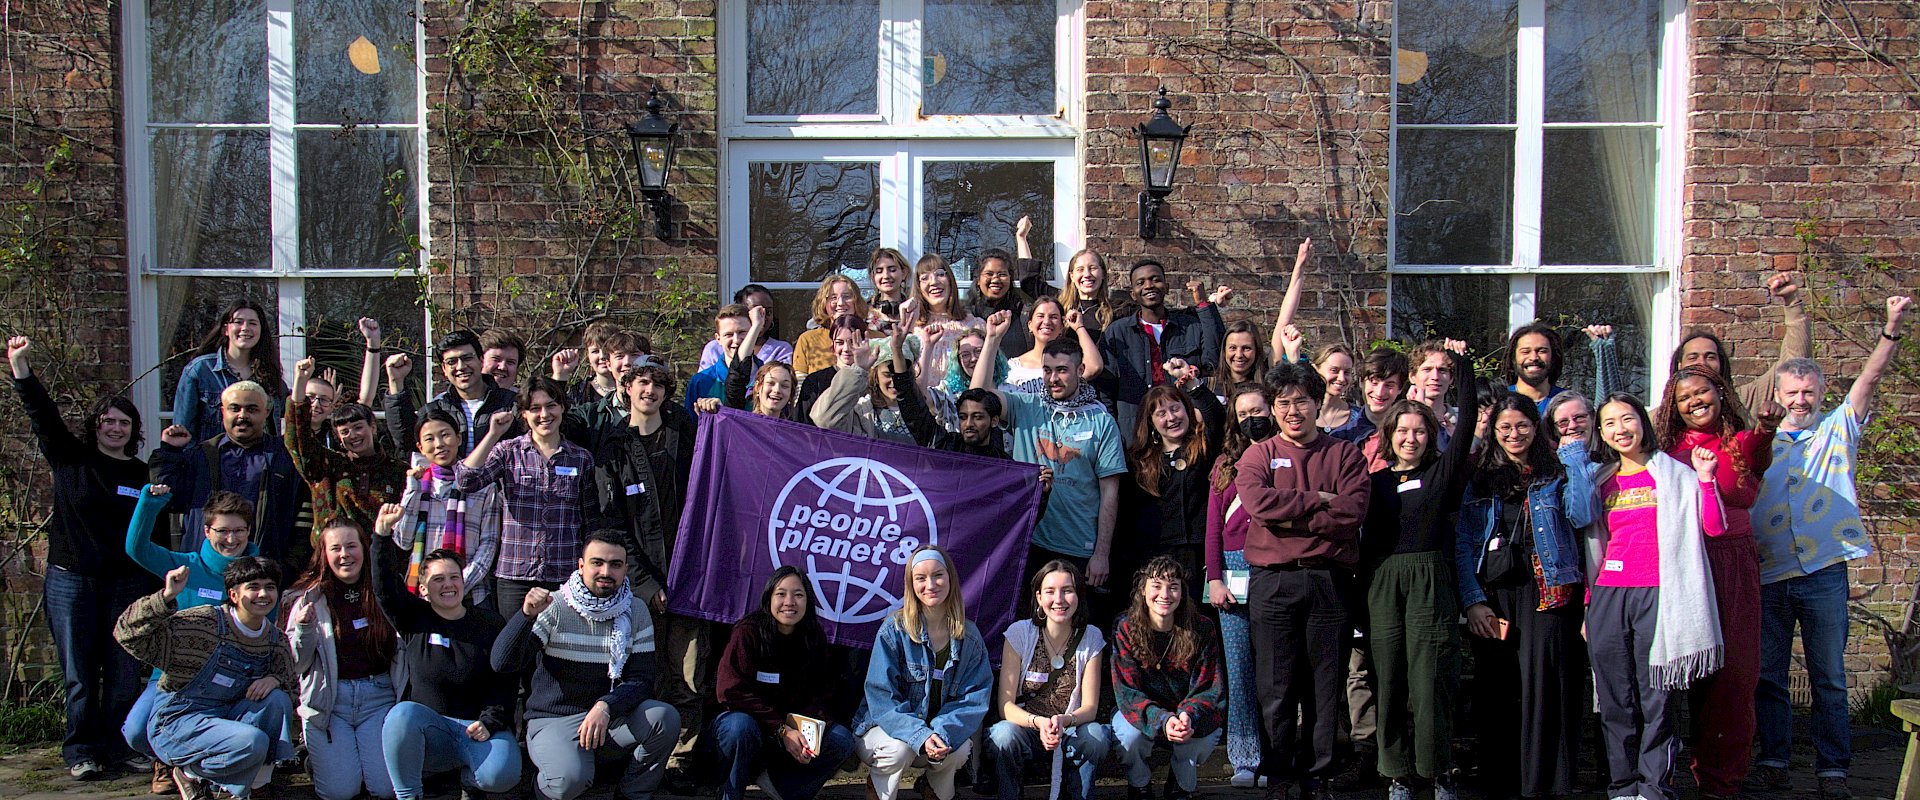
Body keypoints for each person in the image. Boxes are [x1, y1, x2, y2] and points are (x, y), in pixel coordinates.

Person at [1751, 295, 1911, 800]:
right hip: (1769, 572)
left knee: (1829, 676)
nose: (1801, 400)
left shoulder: (1838, 429)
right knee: (1770, 676)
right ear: (1777, 394)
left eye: (1810, 391)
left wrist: (1890, 327)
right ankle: (1775, 758)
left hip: (1823, 572)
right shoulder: (1758, 440)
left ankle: (1833, 769)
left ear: (1822, 392)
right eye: (1793, 391)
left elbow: (1868, 380)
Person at [7, 336, 157, 780]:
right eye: (108, 421)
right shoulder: (71, 459)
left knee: (124, 670)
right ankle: (81, 751)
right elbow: (43, 417)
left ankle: (118, 745)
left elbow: (151, 530)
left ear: (133, 430)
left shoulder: (139, 474)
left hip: (127, 585)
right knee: (79, 672)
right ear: (96, 426)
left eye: (124, 423)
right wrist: (21, 368)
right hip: (72, 581)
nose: (115, 429)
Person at [1233, 360, 1369, 799]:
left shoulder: (1344, 454)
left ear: (1317, 403)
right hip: (1273, 584)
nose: (1294, 410)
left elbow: (1351, 514)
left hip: (1330, 581)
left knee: (1324, 687)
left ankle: (1318, 775)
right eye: (1284, 402)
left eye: (1302, 401)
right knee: (1275, 686)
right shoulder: (1258, 454)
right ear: (1273, 408)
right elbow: (1259, 506)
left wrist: (1290, 513)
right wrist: (1316, 501)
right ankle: (1278, 775)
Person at [1584, 393, 1726, 800]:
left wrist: (1706, 478)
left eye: (1626, 419)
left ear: (1642, 423)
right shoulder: (1599, 480)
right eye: (1609, 423)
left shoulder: (1675, 474)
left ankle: (1654, 788)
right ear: (1603, 433)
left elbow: (1713, 528)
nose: (1619, 429)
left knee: (1656, 695)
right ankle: (1623, 787)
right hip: (1609, 595)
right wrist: (1588, 607)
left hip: (1661, 592)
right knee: (1614, 699)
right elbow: (1592, 548)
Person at [1457, 393, 1598, 799]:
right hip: (1495, 595)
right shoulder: (1480, 478)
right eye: (1505, 428)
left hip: (1547, 591)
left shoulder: (1558, 471)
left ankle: (1545, 783)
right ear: (1494, 433)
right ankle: (1501, 781)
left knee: (1545, 684)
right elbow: (1465, 542)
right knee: (1498, 687)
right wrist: (1473, 601)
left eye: (1522, 425)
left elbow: (1582, 513)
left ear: (1536, 428)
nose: (1514, 434)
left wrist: (1573, 458)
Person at [1359, 343, 1478, 800]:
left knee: (1431, 680)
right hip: (1382, 581)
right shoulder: (1374, 483)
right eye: (1402, 431)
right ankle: (1396, 773)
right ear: (1389, 435)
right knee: (1387, 679)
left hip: (1431, 580)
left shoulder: (1443, 474)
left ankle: (1437, 769)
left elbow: (1466, 424)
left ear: (1431, 435)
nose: (1410, 438)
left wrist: (1461, 365)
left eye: (1419, 431)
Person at [1654, 365, 1772, 800]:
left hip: (1732, 564)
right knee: (1692, 667)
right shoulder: (1667, 451)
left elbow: (1760, 450)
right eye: (1685, 397)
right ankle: (1676, 769)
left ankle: (1722, 783)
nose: (1694, 402)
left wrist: (1768, 427)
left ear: (1721, 394)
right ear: (1674, 406)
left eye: (1702, 392)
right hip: (1684, 561)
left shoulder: (1741, 443)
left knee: (1734, 675)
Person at [490, 531, 679, 800]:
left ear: (625, 569)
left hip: (607, 718)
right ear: (580, 565)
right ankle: (544, 788)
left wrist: (605, 706)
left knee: (664, 717)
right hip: (555, 719)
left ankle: (632, 793)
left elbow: (642, 680)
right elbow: (502, 663)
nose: (606, 571)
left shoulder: (636, 611)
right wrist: (525, 616)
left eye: (615, 564)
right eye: (597, 562)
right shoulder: (554, 606)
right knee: (570, 781)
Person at [588, 363, 705, 779]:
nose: (650, 391)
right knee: (643, 676)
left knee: (688, 674)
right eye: (642, 383)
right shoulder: (613, 446)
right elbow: (612, 524)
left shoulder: (686, 436)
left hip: (689, 577)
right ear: (627, 388)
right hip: (638, 585)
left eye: (658, 385)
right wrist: (646, 582)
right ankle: (641, 758)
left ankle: (681, 761)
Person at [368, 503, 519, 800]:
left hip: (477, 729)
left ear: (464, 582)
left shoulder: (490, 623)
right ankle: (409, 795)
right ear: (423, 589)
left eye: (454, 577)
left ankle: (469, 780)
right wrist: (381, 537)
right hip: (430, 731)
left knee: (502, 775)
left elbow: (506, 679)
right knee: (401, 715)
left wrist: (490, 721)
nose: (447, 585)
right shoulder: (414, 618)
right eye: (438, 579)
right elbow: (385, 587)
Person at [115, 558, 297, 800]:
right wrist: (165, 597)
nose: (263, 594)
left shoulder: (276, 641)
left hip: (226, 718)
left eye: (270, 586)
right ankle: (191, 774)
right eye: (253, 586)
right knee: (251, 742)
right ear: (233, 594)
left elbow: (293, 690)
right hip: (178, 720)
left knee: (277, 700)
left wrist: (275, 680)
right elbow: (126, 633)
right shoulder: (201, 625)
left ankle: (257, 786)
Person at [972, 311, 1126, 592]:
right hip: (1026, 542)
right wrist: (992, 340)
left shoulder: (1102, 420)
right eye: (1047, 370)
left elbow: (1110, 493)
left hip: (1078, 545)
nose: (1053, 378)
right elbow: (976, 400)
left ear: (1080, 371)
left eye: (1062, 370)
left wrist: (1102, 553)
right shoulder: (1027, 406)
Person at [121, 487, 261, 786]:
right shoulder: (185, 565)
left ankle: (201, 769)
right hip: (173, 679)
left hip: (229, 681)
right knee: (134, 733)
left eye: (239, 530)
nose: (232, 539)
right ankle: (177, 762)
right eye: (223, 531)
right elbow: (137, 549)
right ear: (207, 530)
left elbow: (266, 634)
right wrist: (149, 503)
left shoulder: (260, 574)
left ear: (249, 530)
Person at [855, 547, 993, 800]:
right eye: (920, 578)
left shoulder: (970, 638)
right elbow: (881, 698)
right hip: (887, 731)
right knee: (899, 750)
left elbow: (973, 699)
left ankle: (936, 790)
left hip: (937, 735)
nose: (930, 584)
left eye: (938, 575)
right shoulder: (893, 631)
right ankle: (879, 790)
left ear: (950, 578)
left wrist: (939, 733)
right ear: (911, 584)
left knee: (960, 749)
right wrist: (921, 734)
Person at [710, 567, 855, 800]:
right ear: (768, 598)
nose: (789, 602)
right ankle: (730, 793)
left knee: (841, 740)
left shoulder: (813, 636)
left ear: (808, 600)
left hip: (788, 730)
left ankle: (784, 790)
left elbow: (821, 693)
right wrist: (780, 729)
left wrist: (809, 732)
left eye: (798, 595)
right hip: (745, 726)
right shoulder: (748, 632)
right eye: (781, 594)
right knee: (740, 727)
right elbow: (730, 691)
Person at [284, 518, 402, 800]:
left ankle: (352, 759)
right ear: (324, 554)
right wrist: (303, 629)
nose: (345, 554)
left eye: (352, 546)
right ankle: (319, 758)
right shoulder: (308, 599)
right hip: (331, 703)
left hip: (379, 698)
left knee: (385, 789)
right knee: (340, 792)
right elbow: (296, 665)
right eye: (335, 548)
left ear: (365, 548)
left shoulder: (385, 590)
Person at [459, 377, 596, 618]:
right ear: (523, 413)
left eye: (551, 405)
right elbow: (466, 481)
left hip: (564, 576)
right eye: (535, 408)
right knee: (515, 649)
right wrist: (493, 434)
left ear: (562, 407)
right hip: (515, 576)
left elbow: (590, 519)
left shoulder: (581, 458)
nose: (544, 414)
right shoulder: (507, 452)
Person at [152, 380, 311, 576]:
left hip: (264, 573)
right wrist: (169, 452)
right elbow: (170, 500)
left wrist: (290, 565)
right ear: (222, 412)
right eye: (235, 408)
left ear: (266, 412)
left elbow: (304, 517)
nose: (242, 416)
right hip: (205, 571)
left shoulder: (285, 458)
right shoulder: (201, 456)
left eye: (252, 409)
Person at [986, 560, 1111, 800]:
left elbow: (1091, 709)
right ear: (1039, 598)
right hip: (1028, 728)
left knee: (1096, 737)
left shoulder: (1091, 637)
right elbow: (1006, 706)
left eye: (1068, 590)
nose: (1059, 600)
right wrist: (1039, 723)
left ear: (1078, 595)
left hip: (1070, 728)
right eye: (1051, 592)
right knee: (1003, 735)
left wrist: (1064, 720)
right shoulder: (1019, 633)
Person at [1204, 381, 1275, 787]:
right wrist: (1214, 578)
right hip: (1231, 570)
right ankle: (1244, 756)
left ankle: (1274, 755)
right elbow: (1214, 528)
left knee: (1274, 670)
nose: (1252, 419)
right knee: (1240, 668)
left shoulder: (1282, 457)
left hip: (1274, 569)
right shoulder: (1223, 464)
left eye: (1258, 410)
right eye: (1243, 413)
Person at [1111, 556, 1225, 800]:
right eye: (1156, 586)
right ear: (1143, 591)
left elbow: (1209, 688)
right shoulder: (1126, 629)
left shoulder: (1202, 628)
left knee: (1202, 739)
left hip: (1186, 716)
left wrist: (1187, 716)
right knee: (1128, 737)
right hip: (1145, 714)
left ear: (1182, 592)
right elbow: (1127, 692)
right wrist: (1162, 719)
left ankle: (1182, 784)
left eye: (1173, 587)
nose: (1165, 594)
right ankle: (1139, 784)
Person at [1119, 363, 1227, 590]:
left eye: (1175, 408)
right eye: (1161, 413)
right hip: (1153, 555)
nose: (1171, 417)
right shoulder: (1138, 460)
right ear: (1150, 422)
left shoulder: (1203, 447)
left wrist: (1192, 385)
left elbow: (1216, 417)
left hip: (1198, 554)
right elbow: (1127, 515)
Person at [1098, 261, 1228, 442]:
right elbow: (1106, 390)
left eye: (1155, 280)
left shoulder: (1189, 326)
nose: (1149, 286)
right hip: (1135, 434)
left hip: (1185, 431)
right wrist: (1112, 433)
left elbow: (1214, 359)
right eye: (1140, 283)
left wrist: (1203, 304)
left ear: (1166, 287)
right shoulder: (1117, 332)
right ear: (1133, 294)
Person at [390, 410, 505, 606]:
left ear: (458, 438)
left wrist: (458, 584)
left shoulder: (483, 485)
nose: (439, 444)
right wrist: (412, 489)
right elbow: (403, 540)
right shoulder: (418, 485)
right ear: (420, 447)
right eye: (429, 439)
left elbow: (489, 544)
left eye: (445, 435)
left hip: (471, 595)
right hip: (423, 595)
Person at [286, 356, 407, 533]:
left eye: (358, 427)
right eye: (344, 432)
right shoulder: (327, 465)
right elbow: (297, 440)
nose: (353, 436)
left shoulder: (398, 471)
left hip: (380, 556)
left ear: (373, 426)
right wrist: (300, 383)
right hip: (331, 555)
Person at [1672, 271, 1811, 413]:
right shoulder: (1660, 419)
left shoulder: (1743, 402)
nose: (1702, 363)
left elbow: (1794, 364)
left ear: (1721, 364)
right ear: (1680, 365)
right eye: (1693, 357)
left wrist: (1792, 301)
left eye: (1710, 357)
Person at [888, 318, 1018, 460]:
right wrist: (898, 350)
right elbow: (914, 405)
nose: (969, 424)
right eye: (962, 417)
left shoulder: (1005, 463)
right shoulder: (947, 447)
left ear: (994, 420)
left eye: (978, 417)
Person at [383, 330, 522, 457]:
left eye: (467, 358)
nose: (461, 367)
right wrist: (396, 381)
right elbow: (406, 440)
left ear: (480, 361)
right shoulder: (437, 409)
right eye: (452, 362)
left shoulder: (513, 405)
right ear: (444, 368)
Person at [173, 298, 288, 445]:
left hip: (263, 463)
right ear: (225, 329)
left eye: (252, 323)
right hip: (215, 464)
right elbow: (183, 431)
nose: (245, 328)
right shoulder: (200, 371)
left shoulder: (269, 373)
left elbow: (292, 414)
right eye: (238, 322)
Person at [910, 254, 985, 393]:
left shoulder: (974, 325)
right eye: (925, 277)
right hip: (924, 409)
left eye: (939, 274)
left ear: (950, 280)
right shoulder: (912, 329)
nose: (933, 282)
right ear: (918, 287)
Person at [1006, 296, 1104, 389]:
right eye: (1040, 316)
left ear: (1061, 327)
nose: (1046, 322)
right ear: (1030, 325)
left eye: (1053, 317)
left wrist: (1079, 327)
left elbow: (1094, 367)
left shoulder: (1070, 364)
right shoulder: (1013, 366)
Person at [796, 313, 873, 423]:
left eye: (852, 342)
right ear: (833, 345)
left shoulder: (874, 380)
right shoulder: (815, 381)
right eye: (840, 342)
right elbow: (802, 424)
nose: (846, 348)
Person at [791, 276, 871, 378]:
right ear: (823, 303)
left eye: (847, 296)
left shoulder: (875, 338)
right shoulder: (808, 340)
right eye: (833, 297)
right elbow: (800, 385)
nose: (841, 303)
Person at [701, 284, 795, 370]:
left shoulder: (780, 349)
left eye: (768, 312)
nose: (762, 318)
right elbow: (705, 382)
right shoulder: (715, 348)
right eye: (756, 312)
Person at [687, 304, 759, 415]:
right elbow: (692, 428)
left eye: (742, 332)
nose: (736, 340)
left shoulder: (770, 380)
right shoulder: (701, 382)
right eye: (729, 334)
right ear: (718, 339)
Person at [966, 246, 1035, 357]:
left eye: (1002, 274)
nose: (995, 279)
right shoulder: (966, 316)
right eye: (989, 274)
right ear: (978, 280)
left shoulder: (1023, 315)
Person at [564, 319, 623, 406]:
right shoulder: (578, 393)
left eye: (606, 350)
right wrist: (561, 375)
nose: (602, 356)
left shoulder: (635, 389)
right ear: (588, 355)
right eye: (595, 351)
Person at [1214, 319, 1272, 398]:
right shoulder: (1209, 386)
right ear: (1224, 351)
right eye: (1233, 348)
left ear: (1256, 350)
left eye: (1246, 348)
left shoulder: (1268, 385)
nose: (1239, 355)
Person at [865, 248, 912, 323]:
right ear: (872, 276)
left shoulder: (916, 309)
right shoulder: (863, 311)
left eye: (892, 270)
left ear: (904, 273)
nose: (886, 276)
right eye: (879, 271)